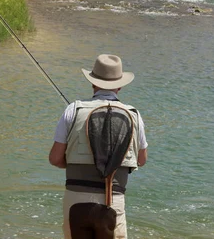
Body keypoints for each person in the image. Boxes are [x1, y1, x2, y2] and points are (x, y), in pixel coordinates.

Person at [49, 54, 148, 239]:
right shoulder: (134, 115)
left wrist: (71, 162)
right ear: (120, 85)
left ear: (92, 82)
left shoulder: (73, 109)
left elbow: (55, 158)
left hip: (76, 201)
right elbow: (141, 160)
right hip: (113, 202)